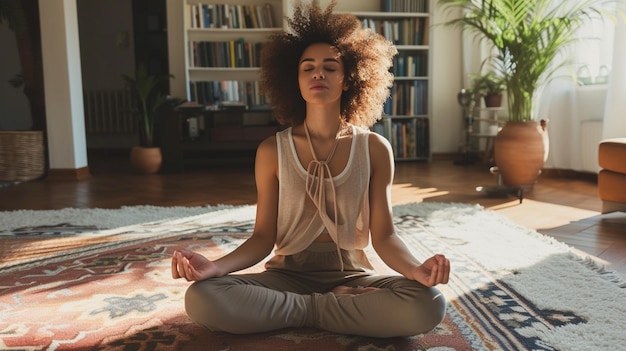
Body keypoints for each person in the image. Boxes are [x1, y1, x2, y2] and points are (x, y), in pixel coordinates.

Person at [171, 0, 449, 338]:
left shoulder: (375, 149)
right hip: (286, 276)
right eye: (308, 67)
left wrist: (416, 270)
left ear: (349, 79)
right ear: (296, 80)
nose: (319, 73)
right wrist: (215, 267)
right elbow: (262, 239)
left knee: (428, 302)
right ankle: (331, 307)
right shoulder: (271, 151)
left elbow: (385, 236)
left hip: (354, 276)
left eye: (330, 67)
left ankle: (301, 309)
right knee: (202, 297)